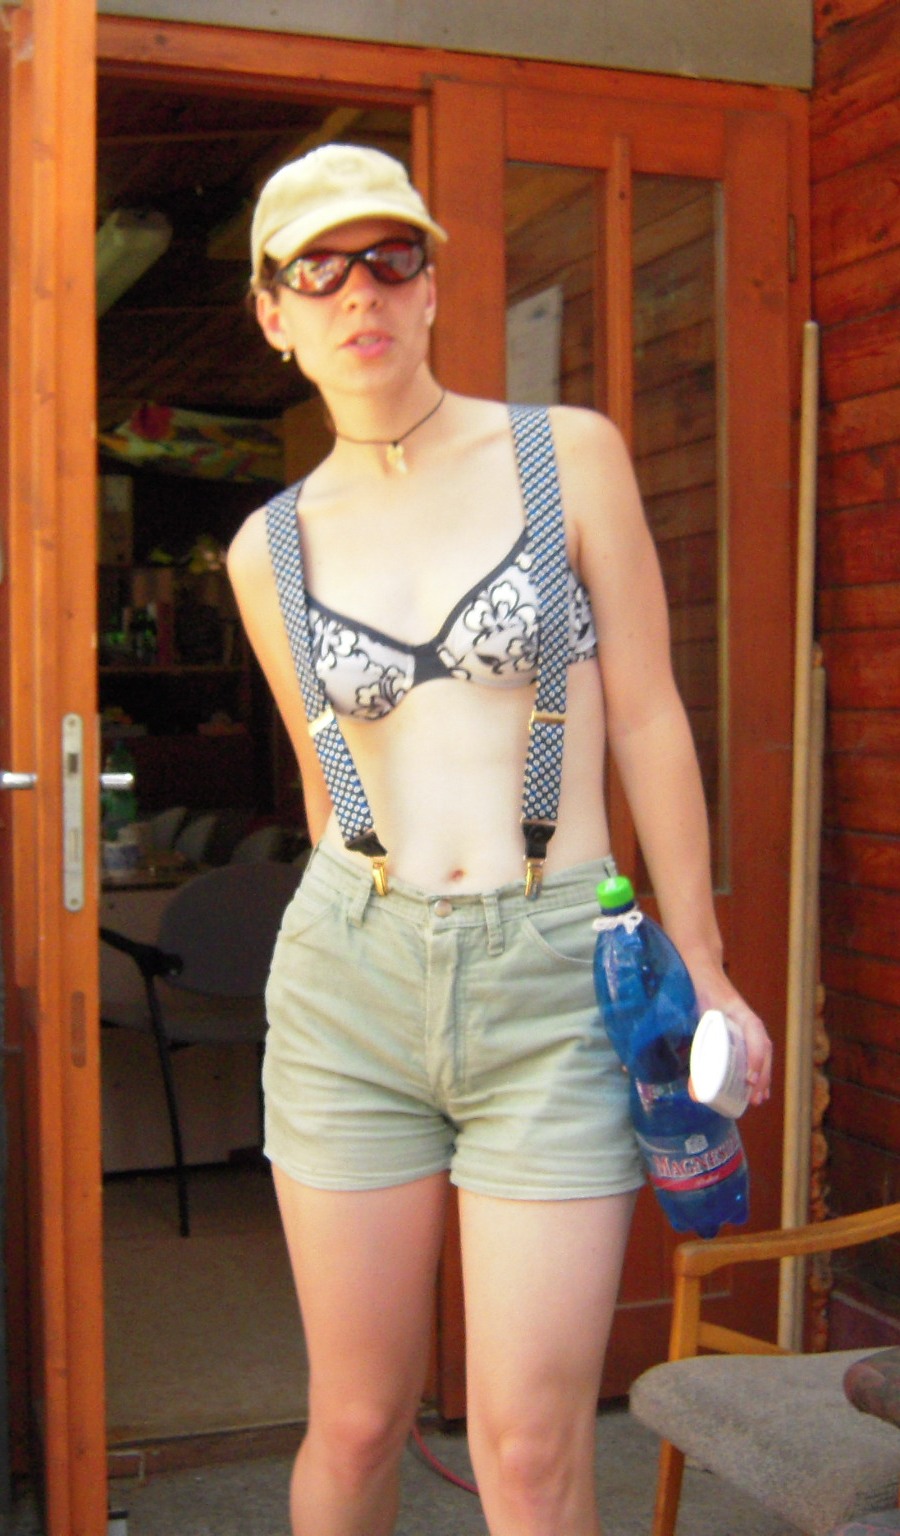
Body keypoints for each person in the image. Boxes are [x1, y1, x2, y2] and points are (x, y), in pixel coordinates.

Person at [227, 142, 773, 1536]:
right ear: (275, 315)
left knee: (528, 1451)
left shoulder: (565, 456)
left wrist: (703, 963)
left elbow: (647, 713)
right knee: (358, 1421)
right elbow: (327, 782)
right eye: (317, 271)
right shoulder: (264, 549)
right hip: (353, 979)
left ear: (430, 286)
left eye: (389, 257)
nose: (359, 292)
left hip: (552, 976)